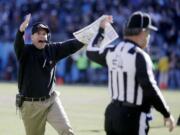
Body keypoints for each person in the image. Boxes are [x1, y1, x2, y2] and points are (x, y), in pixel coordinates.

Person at [86, 12, 175, 135]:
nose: (148, 37)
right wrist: (166, 113)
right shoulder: (139, 56)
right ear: (143, 32)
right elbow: (150, 88)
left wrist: (101, 30)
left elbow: (90, 51)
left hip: (112, 114)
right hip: (133, 117)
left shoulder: (112, 51)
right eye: (148, 33)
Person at [14, 14, 85, 135]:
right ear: (31, 37)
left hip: (51, 101)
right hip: (31, 105)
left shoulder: (52, 49)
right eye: (39, 33)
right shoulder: (25, 51)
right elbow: (18, 45)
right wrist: (21, 31)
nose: (42, 36)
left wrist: (92, 34)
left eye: (44, 34)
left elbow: (71, 45)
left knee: (67, 131)